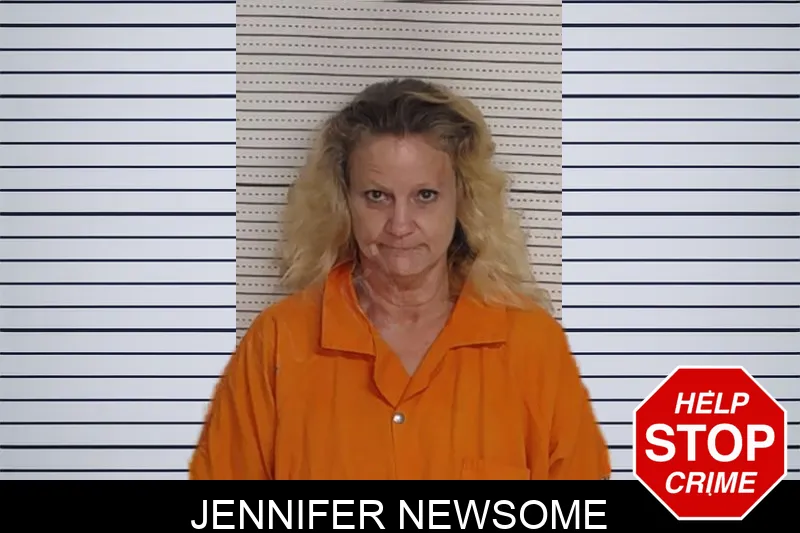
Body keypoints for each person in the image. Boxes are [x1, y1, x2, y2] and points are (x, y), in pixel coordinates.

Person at [189, 78, 611, 480]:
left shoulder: (532, 347)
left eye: (425, 196)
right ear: (344, 201)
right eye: (377, 196)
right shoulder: (279, 343)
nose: (400, 225)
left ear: (462, 200)